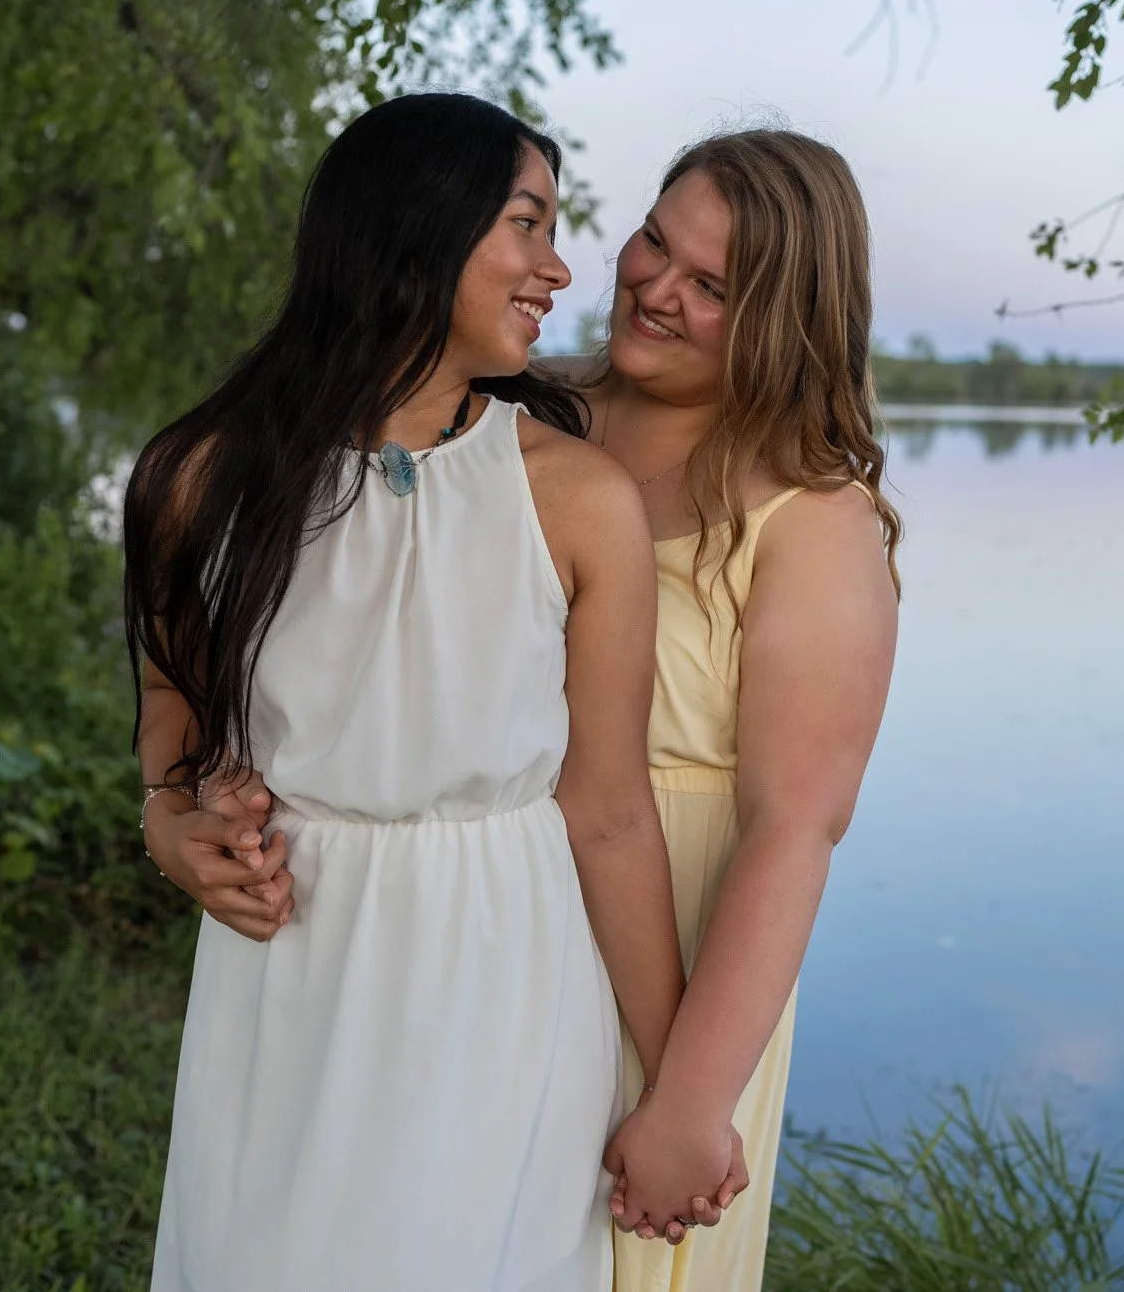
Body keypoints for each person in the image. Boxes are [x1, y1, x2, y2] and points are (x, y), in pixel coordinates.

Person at [125, 92, 725, 1291]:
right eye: (526, 222)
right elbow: (168, 749)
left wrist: (675, 1091)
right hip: (291, 970)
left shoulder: (576, 496)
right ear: (414, 229)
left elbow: (605, 811)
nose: (559, 269)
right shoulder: (200, 480)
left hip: (504, 975)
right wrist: (171, 831)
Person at [585, 129, 901, 1290]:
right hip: (495, 909)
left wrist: (689, 1100)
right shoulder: (532, 420)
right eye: (653, 242)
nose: (653, 289)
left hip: (681, 938)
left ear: (783, 322)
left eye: (709, 287)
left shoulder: (810, 517)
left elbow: (793, 826)